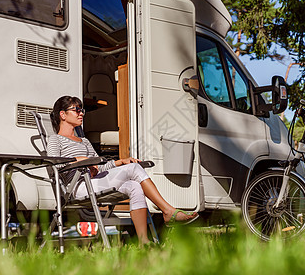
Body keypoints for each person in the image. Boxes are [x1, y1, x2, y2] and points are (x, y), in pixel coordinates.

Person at [47, 95, 198, 245]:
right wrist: (80, 161)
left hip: (94, 182)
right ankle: (167, 211)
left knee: (135, 186)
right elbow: (55, 165)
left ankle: (143, 241)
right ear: (63, 114)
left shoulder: (84, 141)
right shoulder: (55, 139)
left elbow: (100, 167)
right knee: (133, 168)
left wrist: (121, 162)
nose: (81, 113)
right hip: (78, 187)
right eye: (77, 110)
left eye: (82, 110)